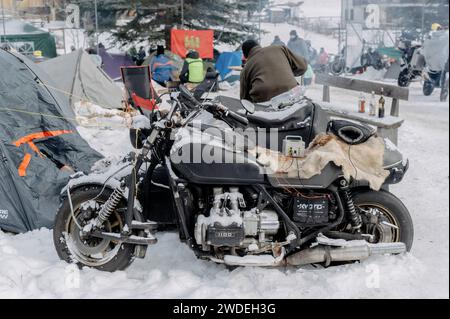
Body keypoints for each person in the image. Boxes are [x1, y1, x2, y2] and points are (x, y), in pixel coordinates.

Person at [240, 39, 308, 103]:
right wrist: (288, 73)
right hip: (291, 94)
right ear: (258, 46)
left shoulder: (245, 69)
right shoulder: (279, 48)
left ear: (245, 55)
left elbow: (244, 100)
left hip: (264, 103)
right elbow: (303, 66)